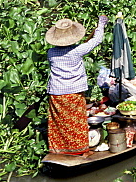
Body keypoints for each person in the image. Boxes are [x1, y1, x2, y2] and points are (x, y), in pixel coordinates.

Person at [45, 14, 108, 156]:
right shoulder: (78, 50)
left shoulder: (51, 52)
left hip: (56, 93)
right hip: (73, 92)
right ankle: (79, 150)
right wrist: (101, 25)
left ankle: (59, 149)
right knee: (76, 121)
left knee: (59, 122)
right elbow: (96, 40)